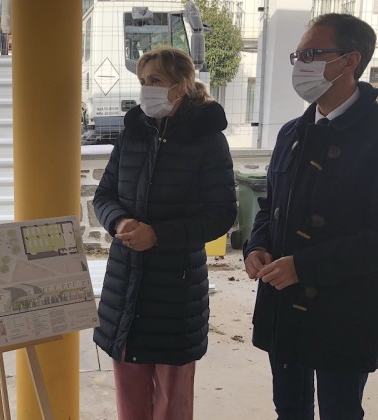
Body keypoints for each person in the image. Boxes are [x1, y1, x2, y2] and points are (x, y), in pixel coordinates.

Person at [243, 14, 378, 420]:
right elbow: (271, 206)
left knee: (340, 410)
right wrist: (257, 246)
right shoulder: (292, 133)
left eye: (310, 54)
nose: (299, 64)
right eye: (296, 55)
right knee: (289, 408)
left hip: (347, 310)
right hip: (284, 304)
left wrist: (306, 266)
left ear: (349, 60)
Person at [92, 46, 236, 420]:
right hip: (125, 286)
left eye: (155, 81)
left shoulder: (207, 140)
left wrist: (159, 235)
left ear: (182, 84)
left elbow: (221, 214)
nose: (146, 90)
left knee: (172, 400)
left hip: (176, 288)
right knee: (130, 393)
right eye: (142, 82)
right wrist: (120, 223)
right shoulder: (133, 133)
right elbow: (104, 195)